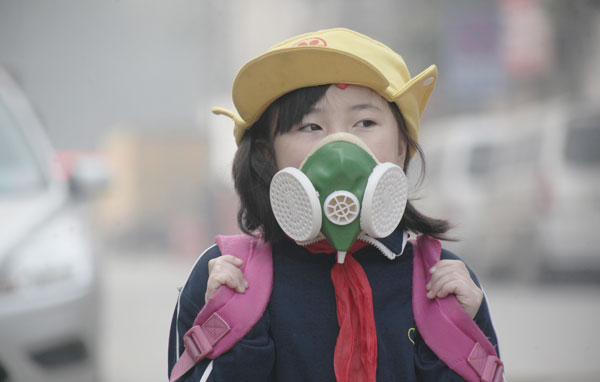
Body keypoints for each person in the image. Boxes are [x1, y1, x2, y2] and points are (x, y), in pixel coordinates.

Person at [168, 28, 501, 382]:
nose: (340, 148)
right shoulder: (225, 276)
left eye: (365, 123)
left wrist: (462, 325)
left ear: (402, 146)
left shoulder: (441, 280)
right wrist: (232, 323)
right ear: (268, 153)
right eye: (311, 126)